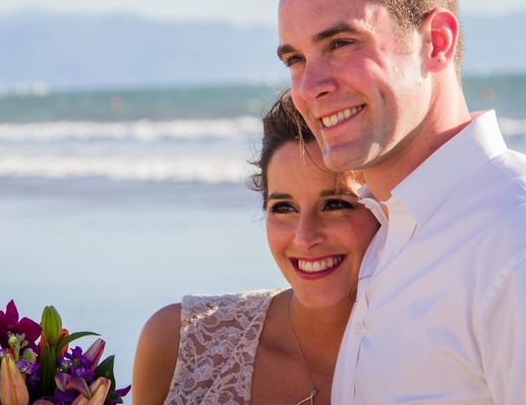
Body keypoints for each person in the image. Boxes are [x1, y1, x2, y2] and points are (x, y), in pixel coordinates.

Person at [277, 0, 526, 404]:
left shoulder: (510, 243)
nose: (309, 88)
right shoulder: (383, 231)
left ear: (437, 42)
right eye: (295, 59)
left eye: (341, 43)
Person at [131, 91, 380, 405]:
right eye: (283, 208)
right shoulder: (179, 343)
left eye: (334, 204)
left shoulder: (434, 355)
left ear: (384, 209)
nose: (304, 238)